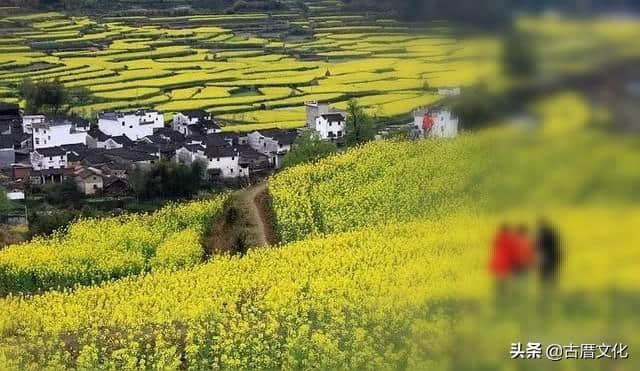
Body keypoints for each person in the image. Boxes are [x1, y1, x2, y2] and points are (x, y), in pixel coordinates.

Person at [535, 219, 561, 286]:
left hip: (546, 257)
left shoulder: (542, 235)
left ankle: (546, 289)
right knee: (552, 275)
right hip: (554, 256)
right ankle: (552, 288)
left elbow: (538, 246)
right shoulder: (552, 233)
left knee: (544, 276)